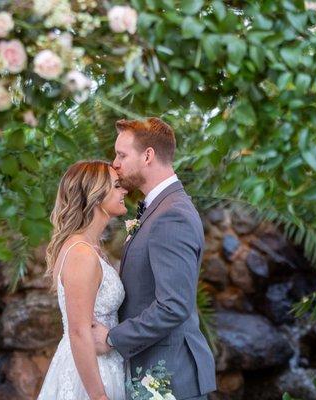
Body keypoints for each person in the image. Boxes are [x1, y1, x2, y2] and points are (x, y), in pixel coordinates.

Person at [91, 117, 217, 399]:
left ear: (148, 155)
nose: (115, 164)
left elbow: (173, 306)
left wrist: (112, 339)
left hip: (170, 378)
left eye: (122, 155)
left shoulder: (172, 215)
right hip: (153, 372)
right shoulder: (159, 208)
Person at [37, 160, 128, 400]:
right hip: (89, 375)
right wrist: (98, 396)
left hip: (108, 364)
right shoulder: (81, 254)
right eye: (117, 186)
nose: (125, 191)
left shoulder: (93, 248)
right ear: (97, 196)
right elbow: (79, 331)